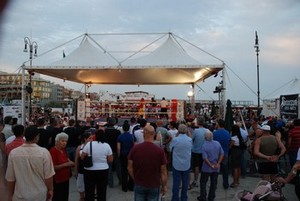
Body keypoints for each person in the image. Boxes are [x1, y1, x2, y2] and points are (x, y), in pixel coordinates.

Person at [5, 125, 55, 201]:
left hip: (20, 195)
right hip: (39, 195)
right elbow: (48, 176)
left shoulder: (13, 153)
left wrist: (10, 194)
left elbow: (10, 178)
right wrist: (50, 190)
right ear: (37, 137)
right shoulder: (44, 152)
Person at [128, 125, 167, 201]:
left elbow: (129, 167)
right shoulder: (159, 151)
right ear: (154, 134)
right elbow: (163, 171)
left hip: (139, 183)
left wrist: (135, 178)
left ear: (143, 134)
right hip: (154, 184)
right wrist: (164, 185)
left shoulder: (135, 148)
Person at [81, 129, 113, 201]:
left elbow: (82, 156)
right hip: (103, 170)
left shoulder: (89, 144)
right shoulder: (107, 146)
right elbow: (110, 159)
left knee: (89, 190)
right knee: (102, 190)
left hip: (89, 170)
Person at [198, 130, 224, 201]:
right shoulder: (217, 143)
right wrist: (218, 163)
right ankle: (211, 197)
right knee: (214, 183)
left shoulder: (204, 145)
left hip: (207, 168)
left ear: (205, 138)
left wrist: (210, 165)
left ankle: (203, 197)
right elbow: (222, 153)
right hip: (216, 167)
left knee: (203, 182)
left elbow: (205, 158)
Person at [170, 124, 192, 201]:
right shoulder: (189, 139)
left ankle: (175, 198)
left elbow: (170, 148)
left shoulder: (175, 139)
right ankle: (184, 198)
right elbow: (191, 148)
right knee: (185, 182)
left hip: (176, 163)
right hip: (186, 163)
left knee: (176, 182)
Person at [50, 132, 74, 201]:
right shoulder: (53, 151)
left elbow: (67, 159)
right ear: (57, 141)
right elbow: (53, 167)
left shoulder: (63, 150)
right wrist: (66, 165)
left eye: (66, 141)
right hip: (57, 180)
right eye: (62, 141)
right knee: (58, 197)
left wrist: (71, 162)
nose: (64, 143)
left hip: (65, 178)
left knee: (65, 197)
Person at [74, 131, 93, 201]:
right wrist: (76, 170)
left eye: (92, 138)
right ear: (85, 139)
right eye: (89, 138)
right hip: (81, 170)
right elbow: (76, 160)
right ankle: (82, 198)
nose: (91, 140)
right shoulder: (79, 147)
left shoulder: (93, 146)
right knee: (81, 186)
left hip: (91, 170)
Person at [212, 119, 230, 189]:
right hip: (225, 153)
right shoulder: (227, 133)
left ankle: (214, 184)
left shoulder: (215, 133)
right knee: (225, 170)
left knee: (215, 170)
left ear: (218, 124)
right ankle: (226, 184)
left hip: (216, 154)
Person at [117, 121, 135, 192]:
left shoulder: (120, 137)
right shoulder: (132, 136)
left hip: (123, 155)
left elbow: (118, 148)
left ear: (123, 129)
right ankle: (131, 186)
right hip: (130, 155)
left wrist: (119, 155)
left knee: (124, 171)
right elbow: (134, 145)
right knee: (131, 169)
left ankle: (124, 187)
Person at [190, 117, 207, 189]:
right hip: (204, 151)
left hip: (196, 150)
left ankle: (196, 180)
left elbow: (191, 139)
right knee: (204, 166)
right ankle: (203, 180)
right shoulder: (207, 131)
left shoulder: (196, 131)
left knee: (196, 166)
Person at [104, 117, 121, 188]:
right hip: (115, 151)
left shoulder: (105, 131)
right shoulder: (117, 132)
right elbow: (118, 144)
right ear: (114, 123)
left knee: (109, 168)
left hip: (107, 152)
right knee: (118, 168)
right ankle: (121, 180)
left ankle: (110, 183)